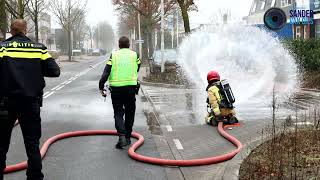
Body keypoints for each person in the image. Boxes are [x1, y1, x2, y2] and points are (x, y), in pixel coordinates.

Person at [0, 19, 60, 180]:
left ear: (11, 31)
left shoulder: (1, 48)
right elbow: (55, 72)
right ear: (25, 30)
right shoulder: (38, 49)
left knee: (1, 144)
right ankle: (34, 176)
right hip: (30, 103)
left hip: (5, 103)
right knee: (32, 143)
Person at [99, 36, 141, 149]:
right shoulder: (134, 54)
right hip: (131, 88)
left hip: (116, 89)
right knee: (130, 113)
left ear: (119, 44)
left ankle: (121, 136)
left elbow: (106, 72)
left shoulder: (114, 55)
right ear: (129, 45)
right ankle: (127, 138)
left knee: (118, 113)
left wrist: (101, 86)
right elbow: (138, 65)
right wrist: (133, 74)